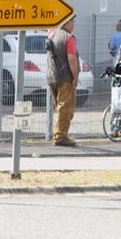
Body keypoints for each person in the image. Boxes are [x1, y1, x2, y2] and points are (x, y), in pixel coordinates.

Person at [46, 16, 80, 147]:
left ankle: (59, 134)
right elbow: (72, 59)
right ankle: (60, 137)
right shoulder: (68, 38)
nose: (74, 25)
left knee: (59, 108)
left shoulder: (52, 34)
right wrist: (75, 77)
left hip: (52, 77)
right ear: (67, 22)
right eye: (73, 22)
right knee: (66, 109)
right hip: (65, 78)